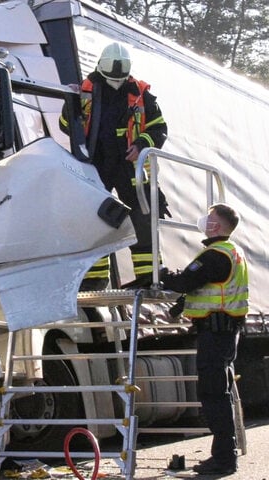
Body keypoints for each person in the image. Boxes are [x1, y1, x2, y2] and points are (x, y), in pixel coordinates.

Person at [60, 42, 169, 290]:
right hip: (96, 163)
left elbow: (159, 128)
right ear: (100, 69)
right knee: (94, 218)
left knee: (142, 216)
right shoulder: (84, 91)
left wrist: (142, 144)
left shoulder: (142, 94)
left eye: (120, 78)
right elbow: (66, 125)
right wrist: (70, 102)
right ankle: (93, 278)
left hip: (130, 165)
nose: (116, 83)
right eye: (112, 78)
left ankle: (150, 276)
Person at [161, 203, 248, 475]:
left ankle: (223, 459)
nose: (204, 221)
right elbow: (209, 287)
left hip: (215, 333)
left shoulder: (215, 255)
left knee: (213, 395)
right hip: (223, 332)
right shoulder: (231, 252)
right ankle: (224, 456)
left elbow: (186, 280)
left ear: (218, 226)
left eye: (210, 218)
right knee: (219, 394)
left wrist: (160, 274)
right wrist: (183, 305)